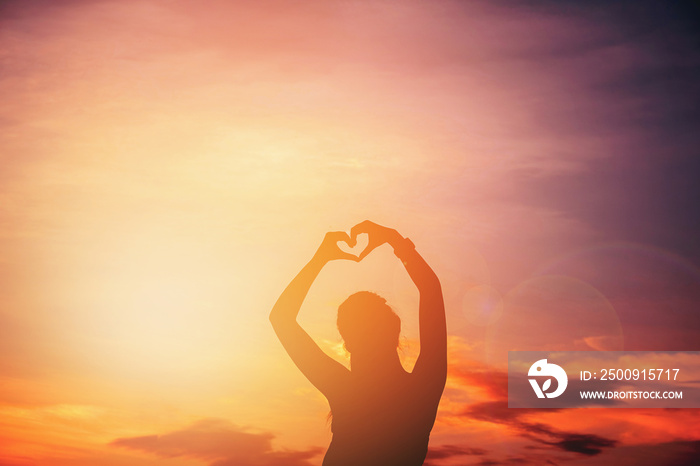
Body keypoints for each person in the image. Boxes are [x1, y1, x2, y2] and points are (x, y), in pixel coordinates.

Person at [269, 220, 447, 465]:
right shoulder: (420, 392)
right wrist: (394, 240)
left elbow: (281, 318)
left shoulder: (346, 392)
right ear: (395, 334)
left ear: (347, 343)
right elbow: (431, 289)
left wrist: (319, 259)